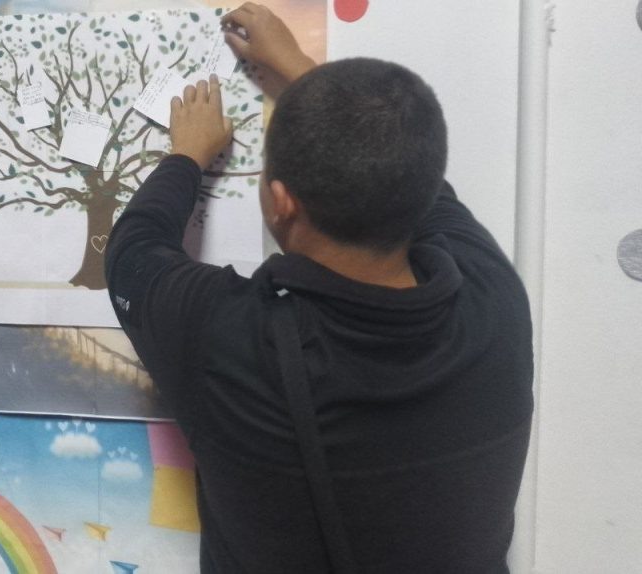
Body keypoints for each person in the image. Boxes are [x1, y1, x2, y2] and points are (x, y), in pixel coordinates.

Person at [105, 3, 534, 572]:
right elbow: (408, 175)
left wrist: (186, 154)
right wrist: (299, 69)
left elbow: (132, 254)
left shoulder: (232, 343)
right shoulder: (497, 301)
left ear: (281, 203)